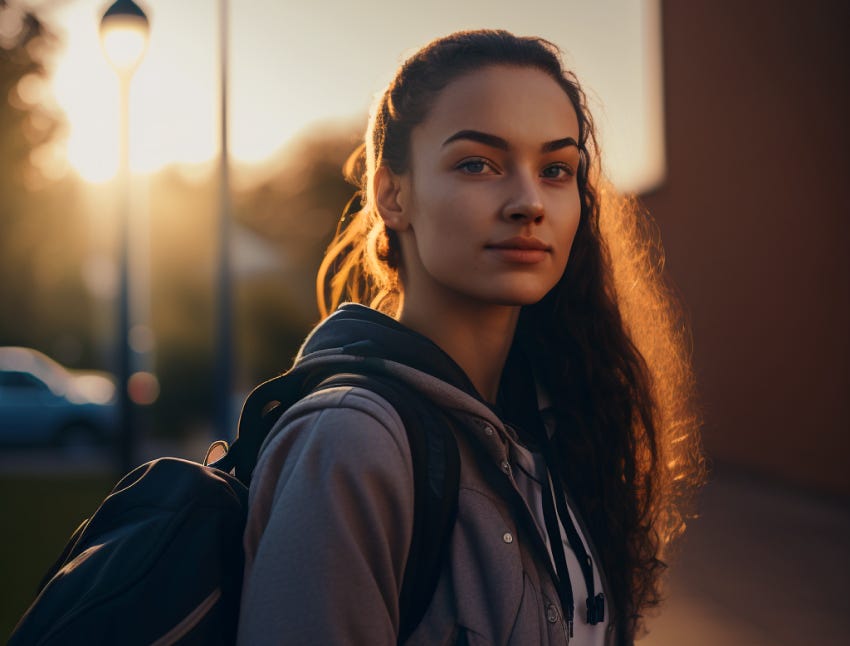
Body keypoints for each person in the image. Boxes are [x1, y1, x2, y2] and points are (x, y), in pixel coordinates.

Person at [237, 29, 703, 646]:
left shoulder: (556, 427)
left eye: (556, 169)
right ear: (393, 195)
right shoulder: (352, 441)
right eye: (478, 163)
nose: (529, 202)